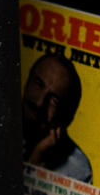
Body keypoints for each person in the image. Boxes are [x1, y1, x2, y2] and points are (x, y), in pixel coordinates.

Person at [23, 51, 94, 182]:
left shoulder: (78, 169)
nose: (40, 103)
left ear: (67, 117)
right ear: (26, 82)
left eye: (54, 100)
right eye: (39, 84)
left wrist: (36, 162)